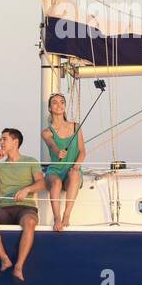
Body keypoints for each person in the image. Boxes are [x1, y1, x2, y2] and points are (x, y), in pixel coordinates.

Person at [0, 128, 45, 281]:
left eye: (4, 139)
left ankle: (19, 266)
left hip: (25, 207)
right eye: (0, 139)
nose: (1, 142)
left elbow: (41, 183)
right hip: (4, 208)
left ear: (15, 142)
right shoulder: (0, 166)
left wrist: (27, 189)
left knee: (29, 222)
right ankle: (4, 259)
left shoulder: (31, 161)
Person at [41, 92, 84, 232]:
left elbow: (82, 151)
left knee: (74, 175)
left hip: (72, 168)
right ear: (49, 108)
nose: (59, 105)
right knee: (57, 182)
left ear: (64, 106)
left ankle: (67, 215)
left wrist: (76, 166)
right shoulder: (47, 131)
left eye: (62, 102)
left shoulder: (76, 126)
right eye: (55, 102)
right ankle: (57, 218)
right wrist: (57, 151)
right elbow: (51, 144)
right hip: (56, 170)